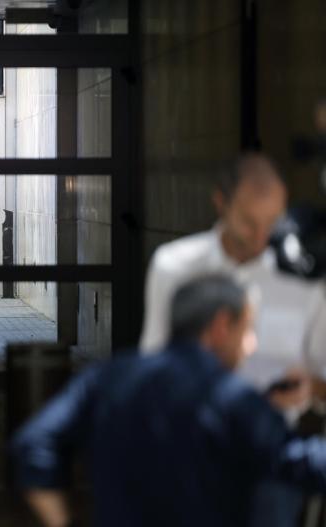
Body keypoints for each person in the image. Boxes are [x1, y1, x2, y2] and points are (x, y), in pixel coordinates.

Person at [13, 274, 326, 527]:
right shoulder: (233, 398)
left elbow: (33, 443)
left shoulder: (107, 377)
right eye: (247, 330)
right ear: (220, 326)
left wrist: (62, 522)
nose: (251, 345)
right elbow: (300, 461)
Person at [139, 152, 326, 525]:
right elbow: (151, 368)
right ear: (220, 201)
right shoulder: (174, 266)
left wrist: (310, 390)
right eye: (247, 222)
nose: (260, 237)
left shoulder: (306, 281)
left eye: (272, 222)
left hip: (269, 461)